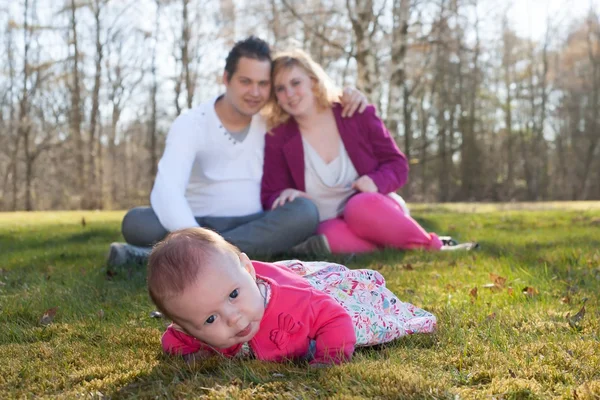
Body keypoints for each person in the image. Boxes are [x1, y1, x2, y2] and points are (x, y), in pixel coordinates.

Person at [107, 37, 368, 267]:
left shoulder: (273, 121)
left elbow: (315, 109)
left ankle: (161, 256)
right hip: (196, 221)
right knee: (137, 222)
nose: (255, 93)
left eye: (263, 84)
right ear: (226, 79)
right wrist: (200, 237)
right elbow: (167, 192)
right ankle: (248, 252)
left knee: (304, 212)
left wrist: (346, 95)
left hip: (257, 221)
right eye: (245, 81)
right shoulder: (191, 123)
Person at [261, 49, 476, 254]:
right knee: (328, 238)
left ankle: (434, 246)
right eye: (280, 88)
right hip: (330, 223)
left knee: (359, 207)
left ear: (313, 81)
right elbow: (269, 194)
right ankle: (406, 242)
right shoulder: (277, 137)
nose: (289, 93)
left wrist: (375, 182)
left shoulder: (354, 113)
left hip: (374, 209)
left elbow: (397, 164)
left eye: (295, 83)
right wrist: (283, 195)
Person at [148, 228, 437, 365]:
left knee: (358, 317)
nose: (234, 318)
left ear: (248, 271)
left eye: (234, 295)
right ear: (187, 327)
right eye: (211, 319)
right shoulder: (189, 326)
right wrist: (191, 356)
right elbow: (173, 340)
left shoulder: (296, 301)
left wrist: (329, 358)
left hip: (315, 296)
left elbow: (335, 318)